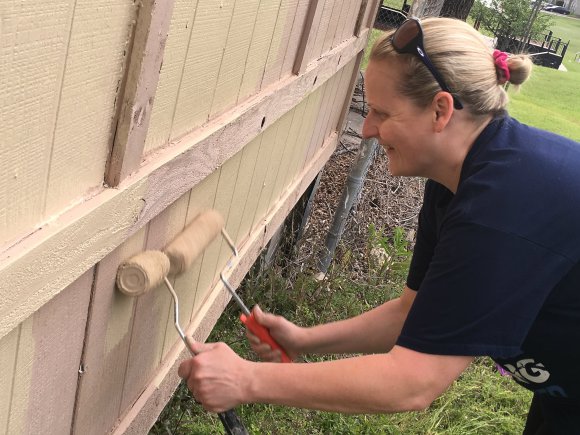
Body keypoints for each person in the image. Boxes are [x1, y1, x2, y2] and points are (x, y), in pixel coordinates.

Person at [178, 17, 580, 434]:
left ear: (441, 110)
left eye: (381, 112)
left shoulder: (504, 206)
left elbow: (411, 382)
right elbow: (410, 314)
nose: (367, 129)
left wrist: (246, 380)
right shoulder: (458, 181)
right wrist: (303, 339)